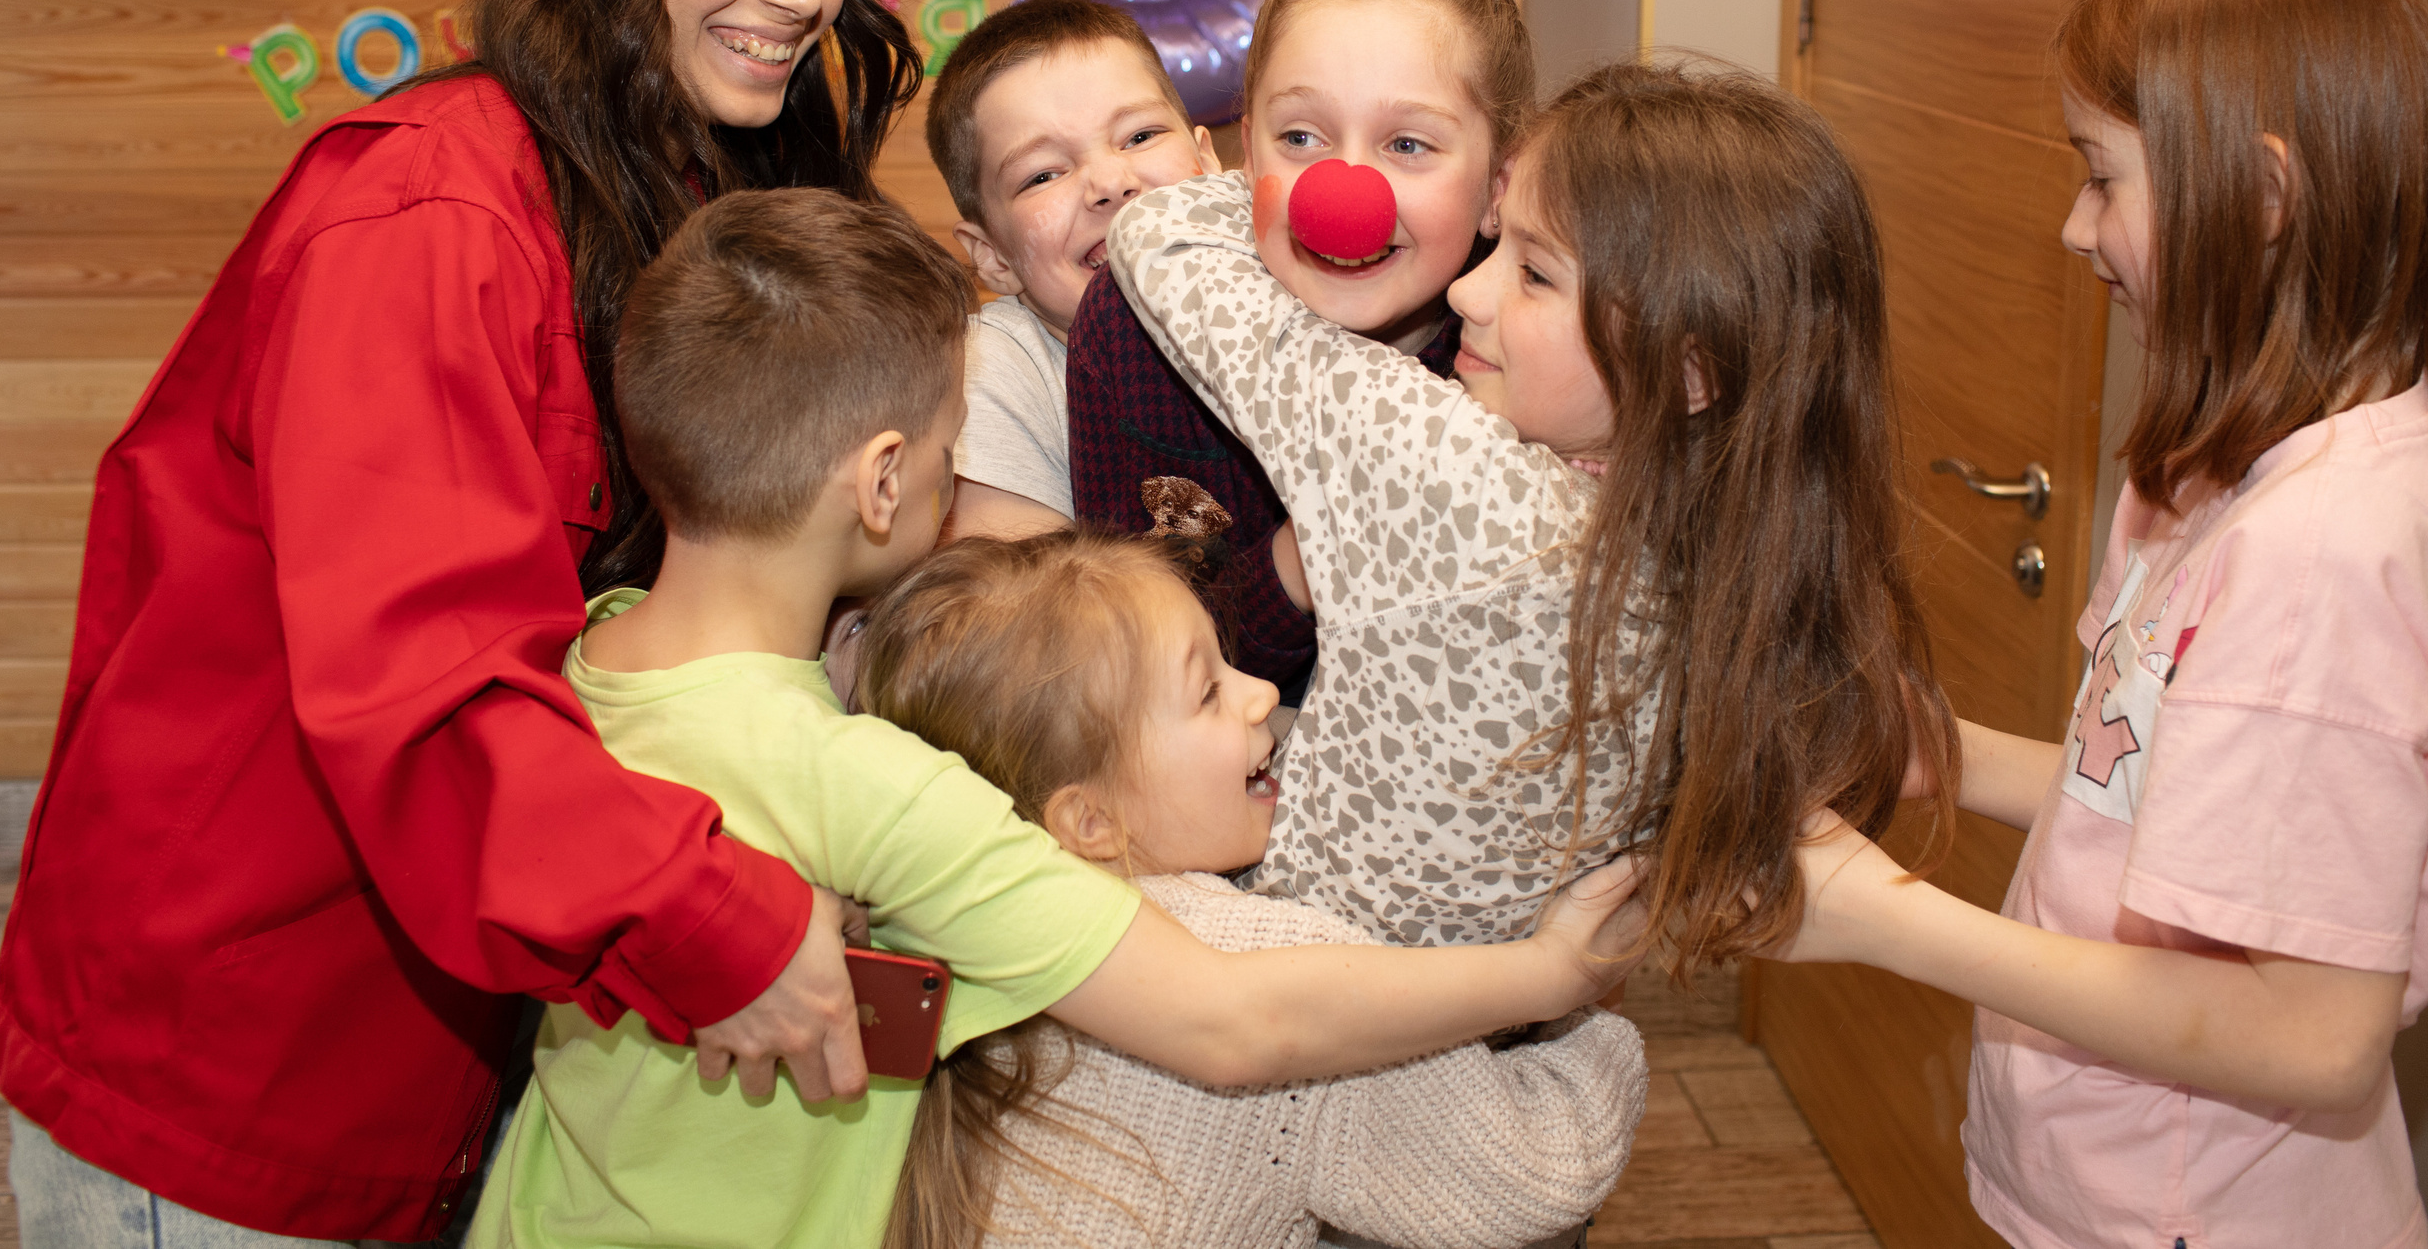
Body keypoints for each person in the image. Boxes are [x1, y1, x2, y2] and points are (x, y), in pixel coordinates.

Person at [0, 0, 918, 1246]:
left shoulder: (653, 179)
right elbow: (423, 682)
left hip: (436, 1030)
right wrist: (705, 917)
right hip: (239, 1057)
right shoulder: (427, 211)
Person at [472, 188, 1655, 1249]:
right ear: (883, 482)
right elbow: (1234, 1021)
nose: (954, 486)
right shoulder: (869, 787)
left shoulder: (577, 665)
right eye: (950, 455)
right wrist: (1545, 971)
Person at [1775, 0, 2428, 1249]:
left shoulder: (2322, 548)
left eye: (2102, 173)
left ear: (2259, 195)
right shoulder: (2213, 473)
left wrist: (1890, 921)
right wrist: (1927, 749)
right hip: (2105, 1181)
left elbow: (2314, 1033)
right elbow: (2132, 788)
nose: (2074, 229)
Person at [1105, 61, 1955, 960]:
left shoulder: (1455, 474)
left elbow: (1162, 237)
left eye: (1535, 274)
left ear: (1690, 371)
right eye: (1495, 243)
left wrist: (1299, 156)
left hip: (1293, 995)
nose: (1468, 290)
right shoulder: (1733, 555)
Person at [859, 527, 1651, 1249]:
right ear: (1090, 821)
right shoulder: (1264, 964)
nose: (1261, 694)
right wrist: (1587, 1010)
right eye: (1207, 692)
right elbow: (1536, 1170)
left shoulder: (947, 944)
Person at [1064, 0, 1533, 701]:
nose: (1342, 193)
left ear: (1497, 185)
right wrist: (1306, 557)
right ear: (1248, 152)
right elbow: (1141, 668)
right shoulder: (1135, 328)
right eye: (1301, 138)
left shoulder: (1531, 352)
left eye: (1408, 144)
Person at [920, 0, 1219, 541]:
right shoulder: (990, 372)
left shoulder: (1301, 295)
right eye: (1043, 175)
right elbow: (1033, 617)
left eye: (1141, 136)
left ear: (1212, 165)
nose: (1111, 183)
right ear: (993, 257)